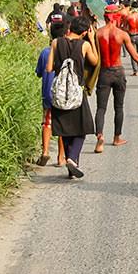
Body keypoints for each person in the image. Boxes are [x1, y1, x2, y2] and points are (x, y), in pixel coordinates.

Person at [94, 5, 138, 153]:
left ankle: (100, 136)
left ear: (105, 17)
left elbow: (93, 58)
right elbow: (136, 57)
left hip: (104, 72)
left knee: (101, 108)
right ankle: (117, 138)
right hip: (118, 73)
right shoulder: (122, 34)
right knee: (119, 107)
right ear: (117, 18)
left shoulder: (97, 34)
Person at [46, 16, 98, 179]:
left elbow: (49, 68)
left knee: (65, 130)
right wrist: (91, 39)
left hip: (60, 92)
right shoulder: (85, 45)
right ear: (84, 32)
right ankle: (71, 158)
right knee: (81, 129)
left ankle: (72, 167)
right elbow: (95, 62)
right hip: (76, 92)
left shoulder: (56, 43)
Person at [35, 23, 67, 167]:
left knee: (47, 122)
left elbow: (39, 73)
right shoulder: (67, 52)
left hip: (48, 92)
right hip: (61, 93)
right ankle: (61, 157)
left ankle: (45, 151)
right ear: (65, 34)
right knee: (62, 125)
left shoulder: (45, 52)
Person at [124, 1, 138, 76]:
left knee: (132, 54)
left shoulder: (128, 17)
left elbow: (125, 27)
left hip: (131, 35)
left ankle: (135, 71)